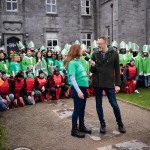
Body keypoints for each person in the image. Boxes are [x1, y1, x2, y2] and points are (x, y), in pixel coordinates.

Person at [90, 36, 126, 133]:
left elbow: (117, 70)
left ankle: (120, 124)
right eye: (97, 44)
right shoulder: (95, 54)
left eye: (100, 44)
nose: (98, 45)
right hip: (97, 82)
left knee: (114, 104)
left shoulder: (114, 54)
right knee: (98, 104)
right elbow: (92, 70)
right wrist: (92, 66)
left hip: (109, 83)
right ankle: (102, 124)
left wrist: (118, 84)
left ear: (105, 43)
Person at [64, 44, 91, 138]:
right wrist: (79, 91)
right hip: (78, 88)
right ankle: (74, 130)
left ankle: (81, 126)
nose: (82, 50)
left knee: (82, 108)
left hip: (83, 87)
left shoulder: (79, 61)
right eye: (80, 49)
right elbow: (72, 78)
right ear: (76, 51)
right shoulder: (72, 63)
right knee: (77, 109)